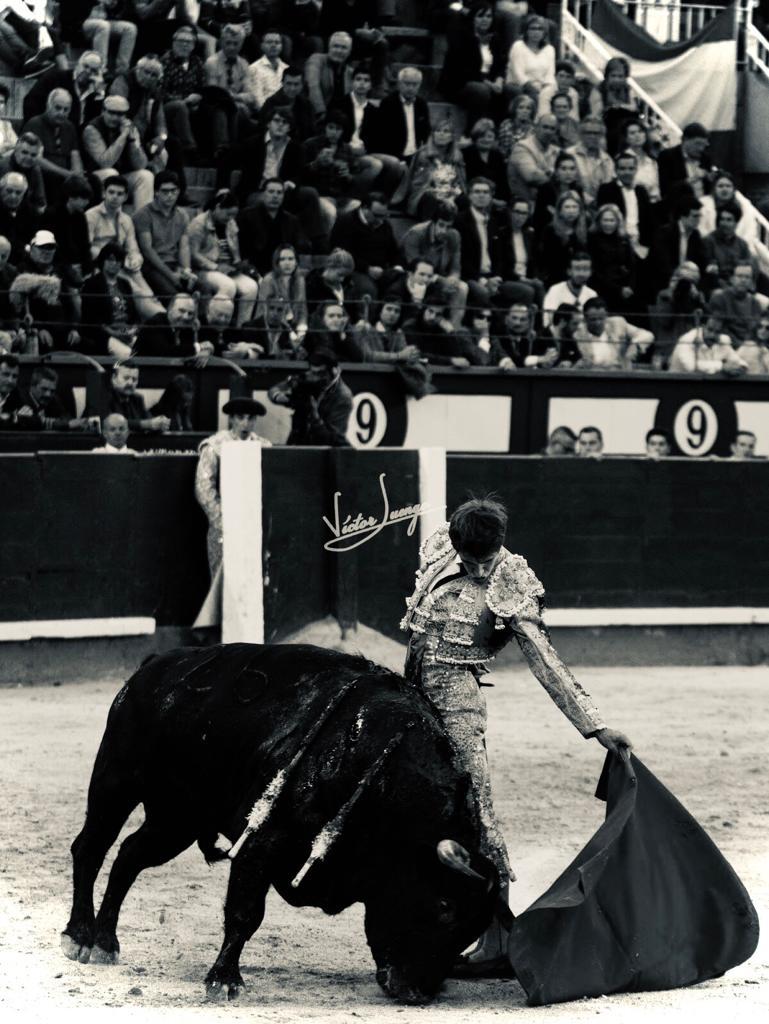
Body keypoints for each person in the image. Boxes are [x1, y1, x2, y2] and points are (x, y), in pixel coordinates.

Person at [401, 497, 631, 976]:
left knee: (475, 807)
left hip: (458, 703)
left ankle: (499, 938)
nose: (480, 567)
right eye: (471, 559)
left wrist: (595, 725)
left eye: (487, 557)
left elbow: (544, 659)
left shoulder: (512, 582)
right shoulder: (442, 544)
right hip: (408, 694)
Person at [195, 396, 272, 578]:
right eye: (240, 417)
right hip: (224, 523)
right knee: (223, 577)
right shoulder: (215, 446)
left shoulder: (264, 446)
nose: (245, 423)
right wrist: (221, 520)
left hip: (255, 523)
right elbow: (203, 486)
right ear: (231, 419)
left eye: (250, 418)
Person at [187, 189, 258, 326]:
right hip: (204, 269)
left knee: (251, 287)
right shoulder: (198, 224)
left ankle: (242, 327)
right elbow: (193, 254)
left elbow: (235, 249)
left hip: (227, 267)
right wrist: (216, 267)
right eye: (228, 214)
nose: (230, 218)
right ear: (218, 208)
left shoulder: (230, 223)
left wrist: (238, 264)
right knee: (228, 285)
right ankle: (217, 325)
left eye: (233, 215)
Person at [82, 94, 155, 211]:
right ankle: (114, 220)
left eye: (120, 114)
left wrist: (131, 140)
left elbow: (141, 165)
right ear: (103, 111)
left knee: (146, 176)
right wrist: (122, 137)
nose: (115, 118)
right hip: (96, 179)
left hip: (121, 176)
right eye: (111, 113)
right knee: (111, 173)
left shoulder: (129, 128)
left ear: (125, 115)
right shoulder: (92, 129)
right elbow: (105, 163)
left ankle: (142, 223)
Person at [268, 347, 353, 446]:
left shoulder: (342, 397)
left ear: (334, 371)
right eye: (313, 372)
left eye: (320, 373)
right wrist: (285, 398)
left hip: (321, 449)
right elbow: (273, 391)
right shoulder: (307, 378)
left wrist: (315, 417)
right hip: (298, 439)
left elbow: (333, 439)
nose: (316, 377)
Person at [133, 169, 196, 302]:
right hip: (152, 267)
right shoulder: (143, 215)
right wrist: (172, 277)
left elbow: (184, 247)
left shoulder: (182, 215)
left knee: (202, 290)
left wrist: (186, 271)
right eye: (165, 191)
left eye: (174, 191)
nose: (170, 195)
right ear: (156, 192)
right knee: (173, 295)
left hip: (174, 264)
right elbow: (148, 250)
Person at [83, 361, 170, 432]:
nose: (130, 383)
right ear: (114, 379)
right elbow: (108, 423)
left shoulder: (137, 398)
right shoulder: (102, 396)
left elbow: (148, 420)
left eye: (134, 379)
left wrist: (159, 423)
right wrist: (145, 424)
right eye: (126, 378)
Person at [668, 314, 747, 375]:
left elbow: (738, 362)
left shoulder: (723, 340)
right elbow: (691, 367)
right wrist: (722, 366)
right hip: (679, 385)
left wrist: (741, 368)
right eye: (710, 330)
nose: (712, 335)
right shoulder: (687, 339)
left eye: (717, 332)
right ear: (702, 326)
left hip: (707, 387)